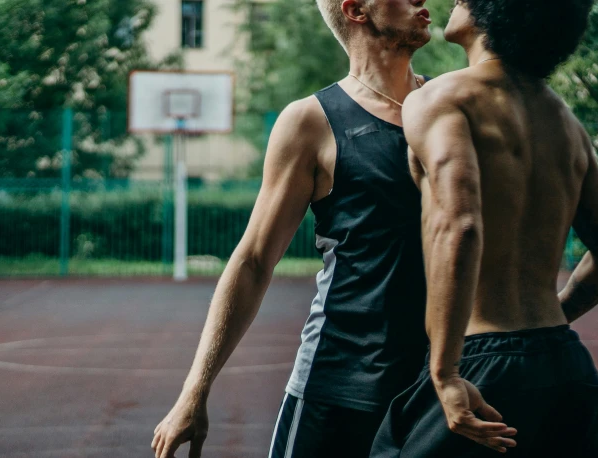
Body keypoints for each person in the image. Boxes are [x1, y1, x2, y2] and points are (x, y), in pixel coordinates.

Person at [150, 1, 438, 457]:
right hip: (337, 386)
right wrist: (195, 389)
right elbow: (253, 260)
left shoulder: (453, 107)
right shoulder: (312, 121)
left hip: (437, 391)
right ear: (356, 9)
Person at [371, 0, 598, 456]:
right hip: (565, 364)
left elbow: (461, 226)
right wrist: (546, 327)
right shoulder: (566, 123)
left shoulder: (441, 98)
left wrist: (447, 372)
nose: (454, 2)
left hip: (480, 366)